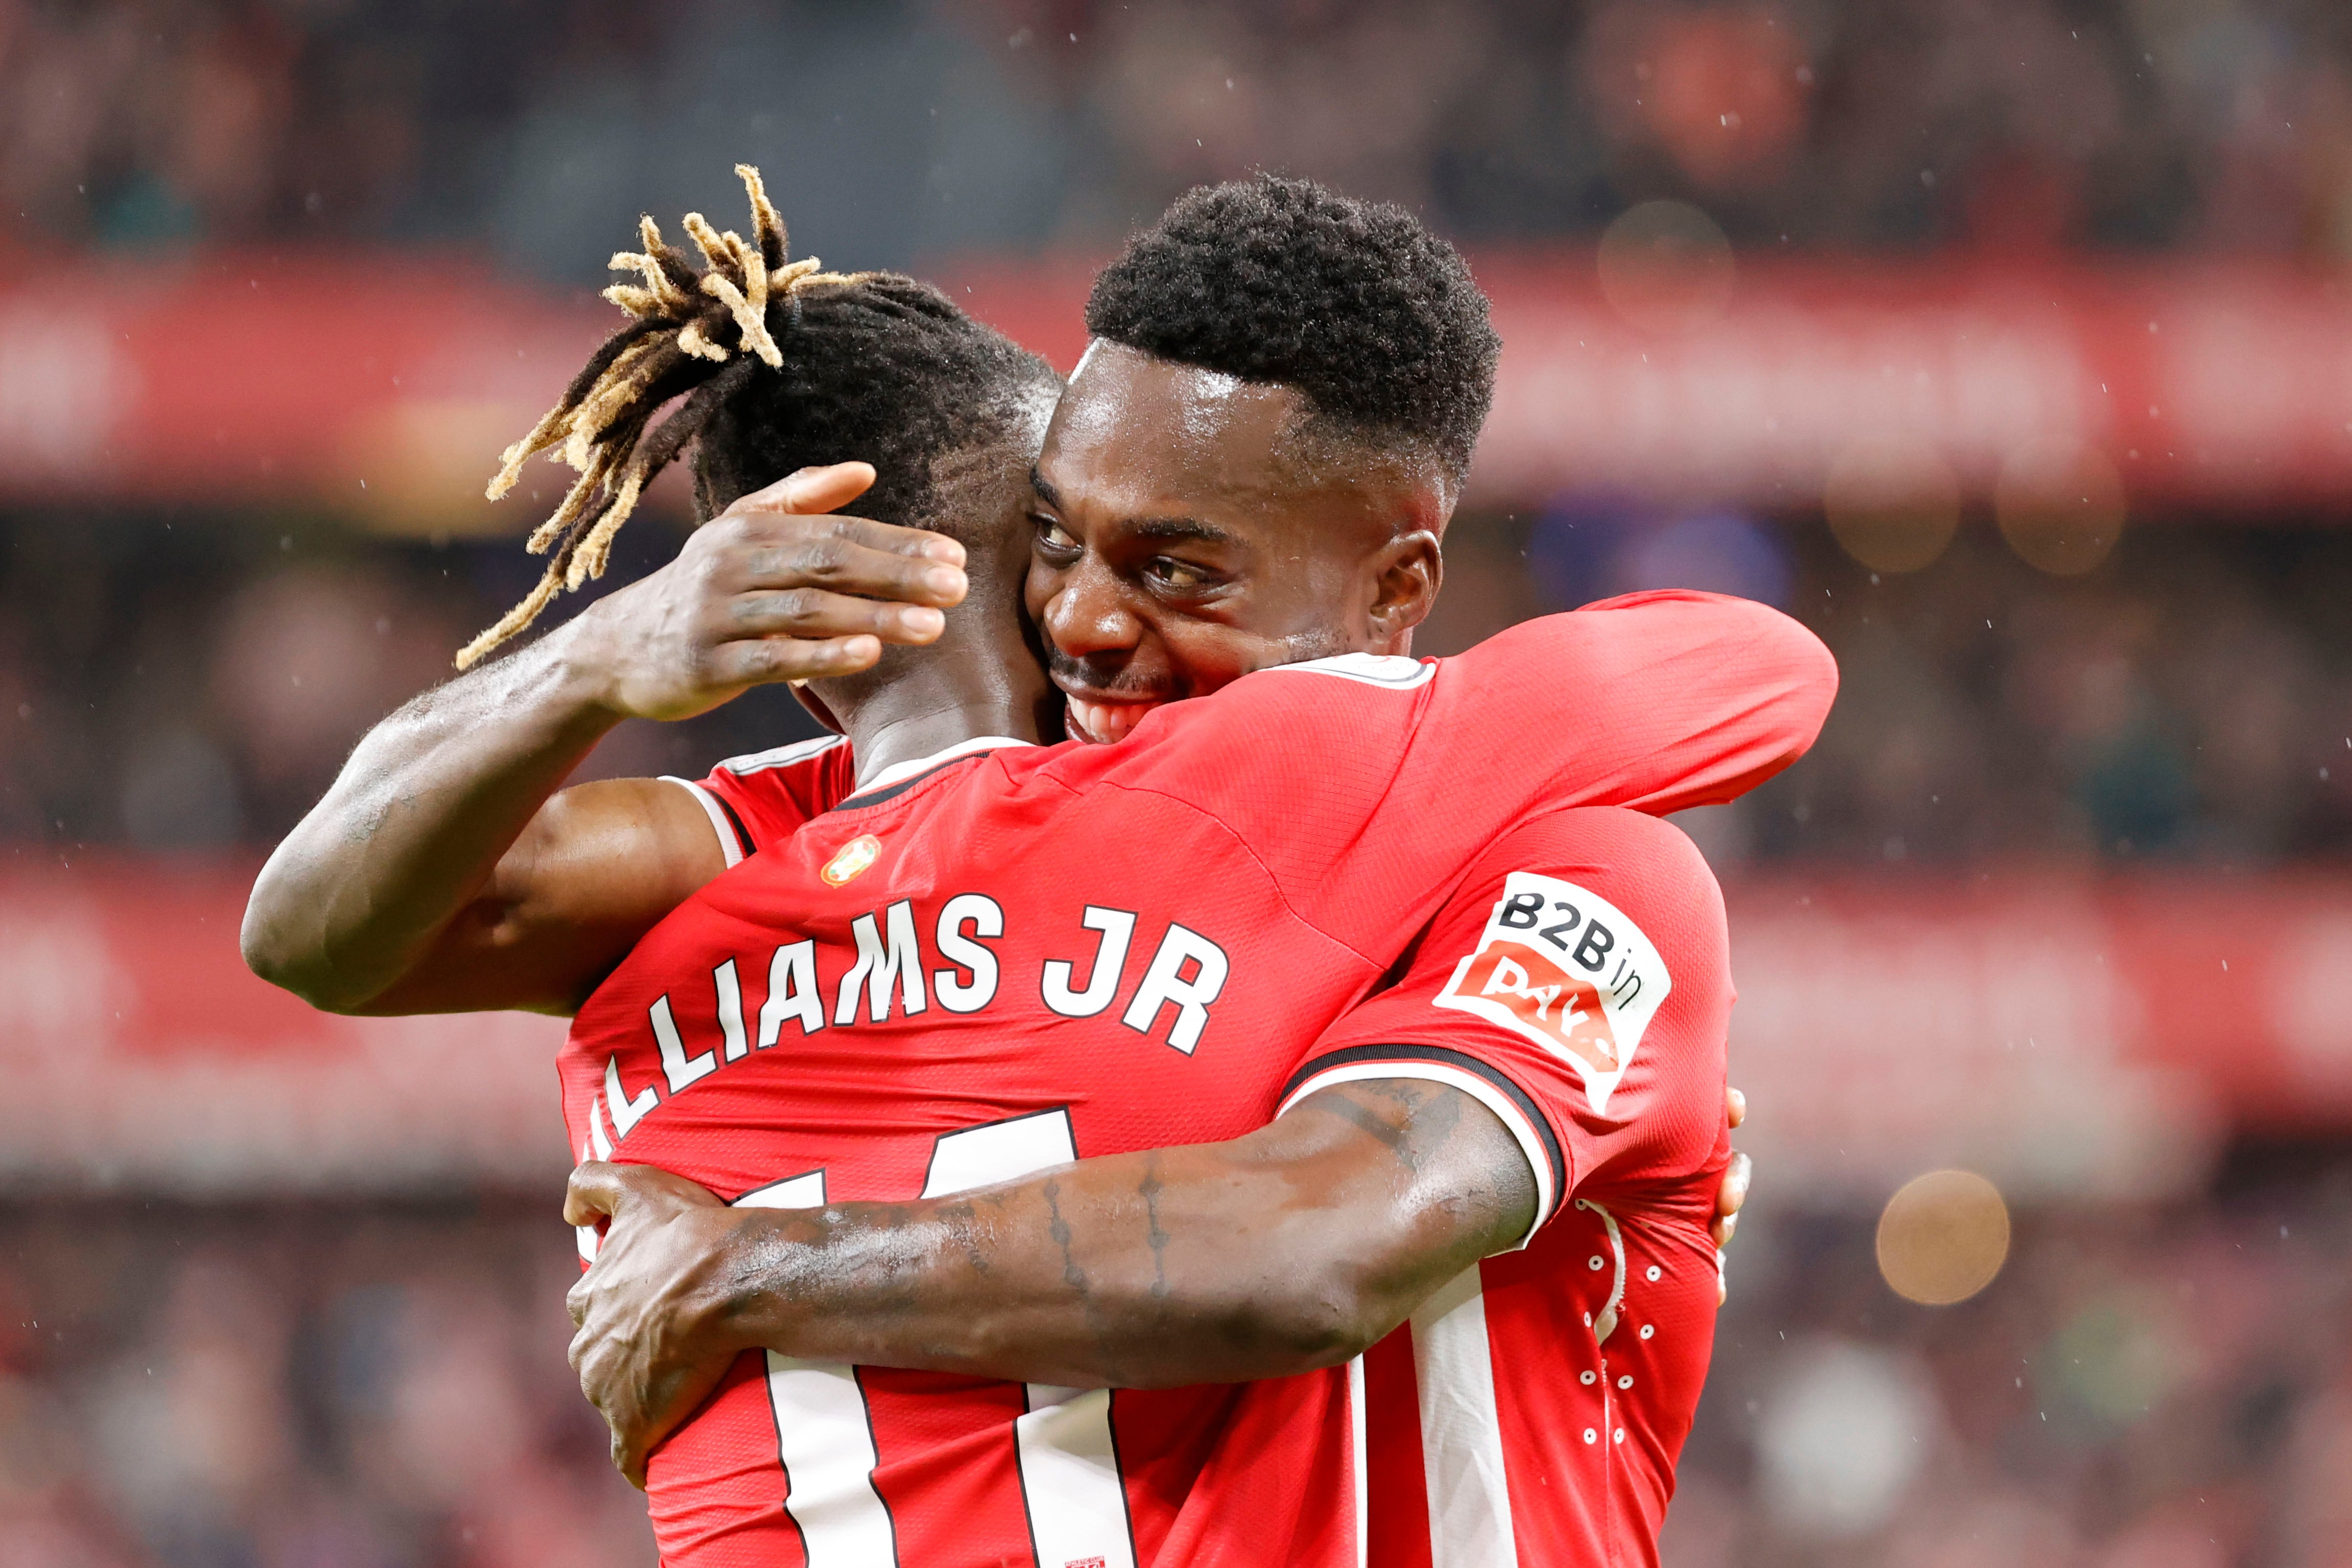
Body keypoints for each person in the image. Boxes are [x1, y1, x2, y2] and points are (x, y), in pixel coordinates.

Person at [244, 172, 1822, 1565]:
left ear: (1396, 587)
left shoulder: (1520, 845)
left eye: (1173, 566)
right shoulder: (766, 840)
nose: (1078, 624)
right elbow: (1757, 668)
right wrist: (605, 654)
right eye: (1049, 547)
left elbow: (1324, 1234)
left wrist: (752, 1260)